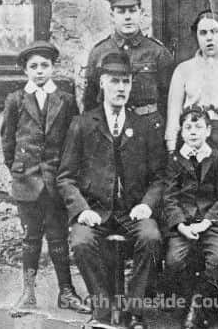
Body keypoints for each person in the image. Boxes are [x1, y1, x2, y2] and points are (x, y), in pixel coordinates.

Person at [57, 51, 165, 328]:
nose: (121, 88)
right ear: (102, 83)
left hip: (133, 212)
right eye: (115, 81)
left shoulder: (144, 126)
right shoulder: (82, 124)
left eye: (126, 82)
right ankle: (103, 311)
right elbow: (66, 178)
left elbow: (159, 177)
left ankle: (135, 310)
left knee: (151, 237)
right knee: (81, 241)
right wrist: (81, 210)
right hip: (95, 212)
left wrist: (147, 204)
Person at [0, 41, 90, 316]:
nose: (39, 71)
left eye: (44, 66)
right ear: (26, 70)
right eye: (33, 66)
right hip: (26, 181)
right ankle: (27, 293)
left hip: (55, 181)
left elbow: (74, 141)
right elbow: (8, 143)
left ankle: (66, 292)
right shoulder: (15, 100)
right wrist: (20, 171)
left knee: (58, 237)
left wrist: (63, 173)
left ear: (53, 67)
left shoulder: (64, 99)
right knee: (30, 239)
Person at [163, 105, 218, 329]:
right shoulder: (175, 160)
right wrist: (181, 225)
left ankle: (199, 306)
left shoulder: (217, 158)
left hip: (210, 223)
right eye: (188, 127)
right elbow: (170, 198)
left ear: (208, 131)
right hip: (183, 224)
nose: (193, 132)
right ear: (181, 132)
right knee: (174, 260)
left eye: (199, 127)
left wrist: (208, 221)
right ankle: (184, 303)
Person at [83, 0, 173, 141]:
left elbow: (168, 100)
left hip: (148, 132)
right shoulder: (99, 52)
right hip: (109, 132)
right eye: (121, 11)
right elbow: (90, 100)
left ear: (141, 13)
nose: (127, 17)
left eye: (132, 10)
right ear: (112, 15)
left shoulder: (158, 52)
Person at [165, 9, 218, 163]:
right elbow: (173, 114)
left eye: (214, 31)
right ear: (196, 36)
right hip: (191, 133)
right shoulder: (183, 70)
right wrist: (171, 148)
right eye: (203, 33)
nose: (209, 38)